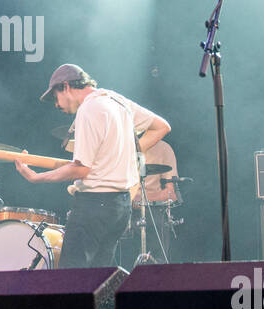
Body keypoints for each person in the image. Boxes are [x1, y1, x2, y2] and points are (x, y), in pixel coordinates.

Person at [14, 64, 170, 268]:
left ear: (66, 86)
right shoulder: (116, 100)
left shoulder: (89, 109)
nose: (56, 105)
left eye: (55, 97)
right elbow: (162, 126)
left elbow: (81, 169)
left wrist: (36, 178)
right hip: (120, 207)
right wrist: (126, 151)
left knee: (73, 280)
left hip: (94, 205)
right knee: (99, 280)